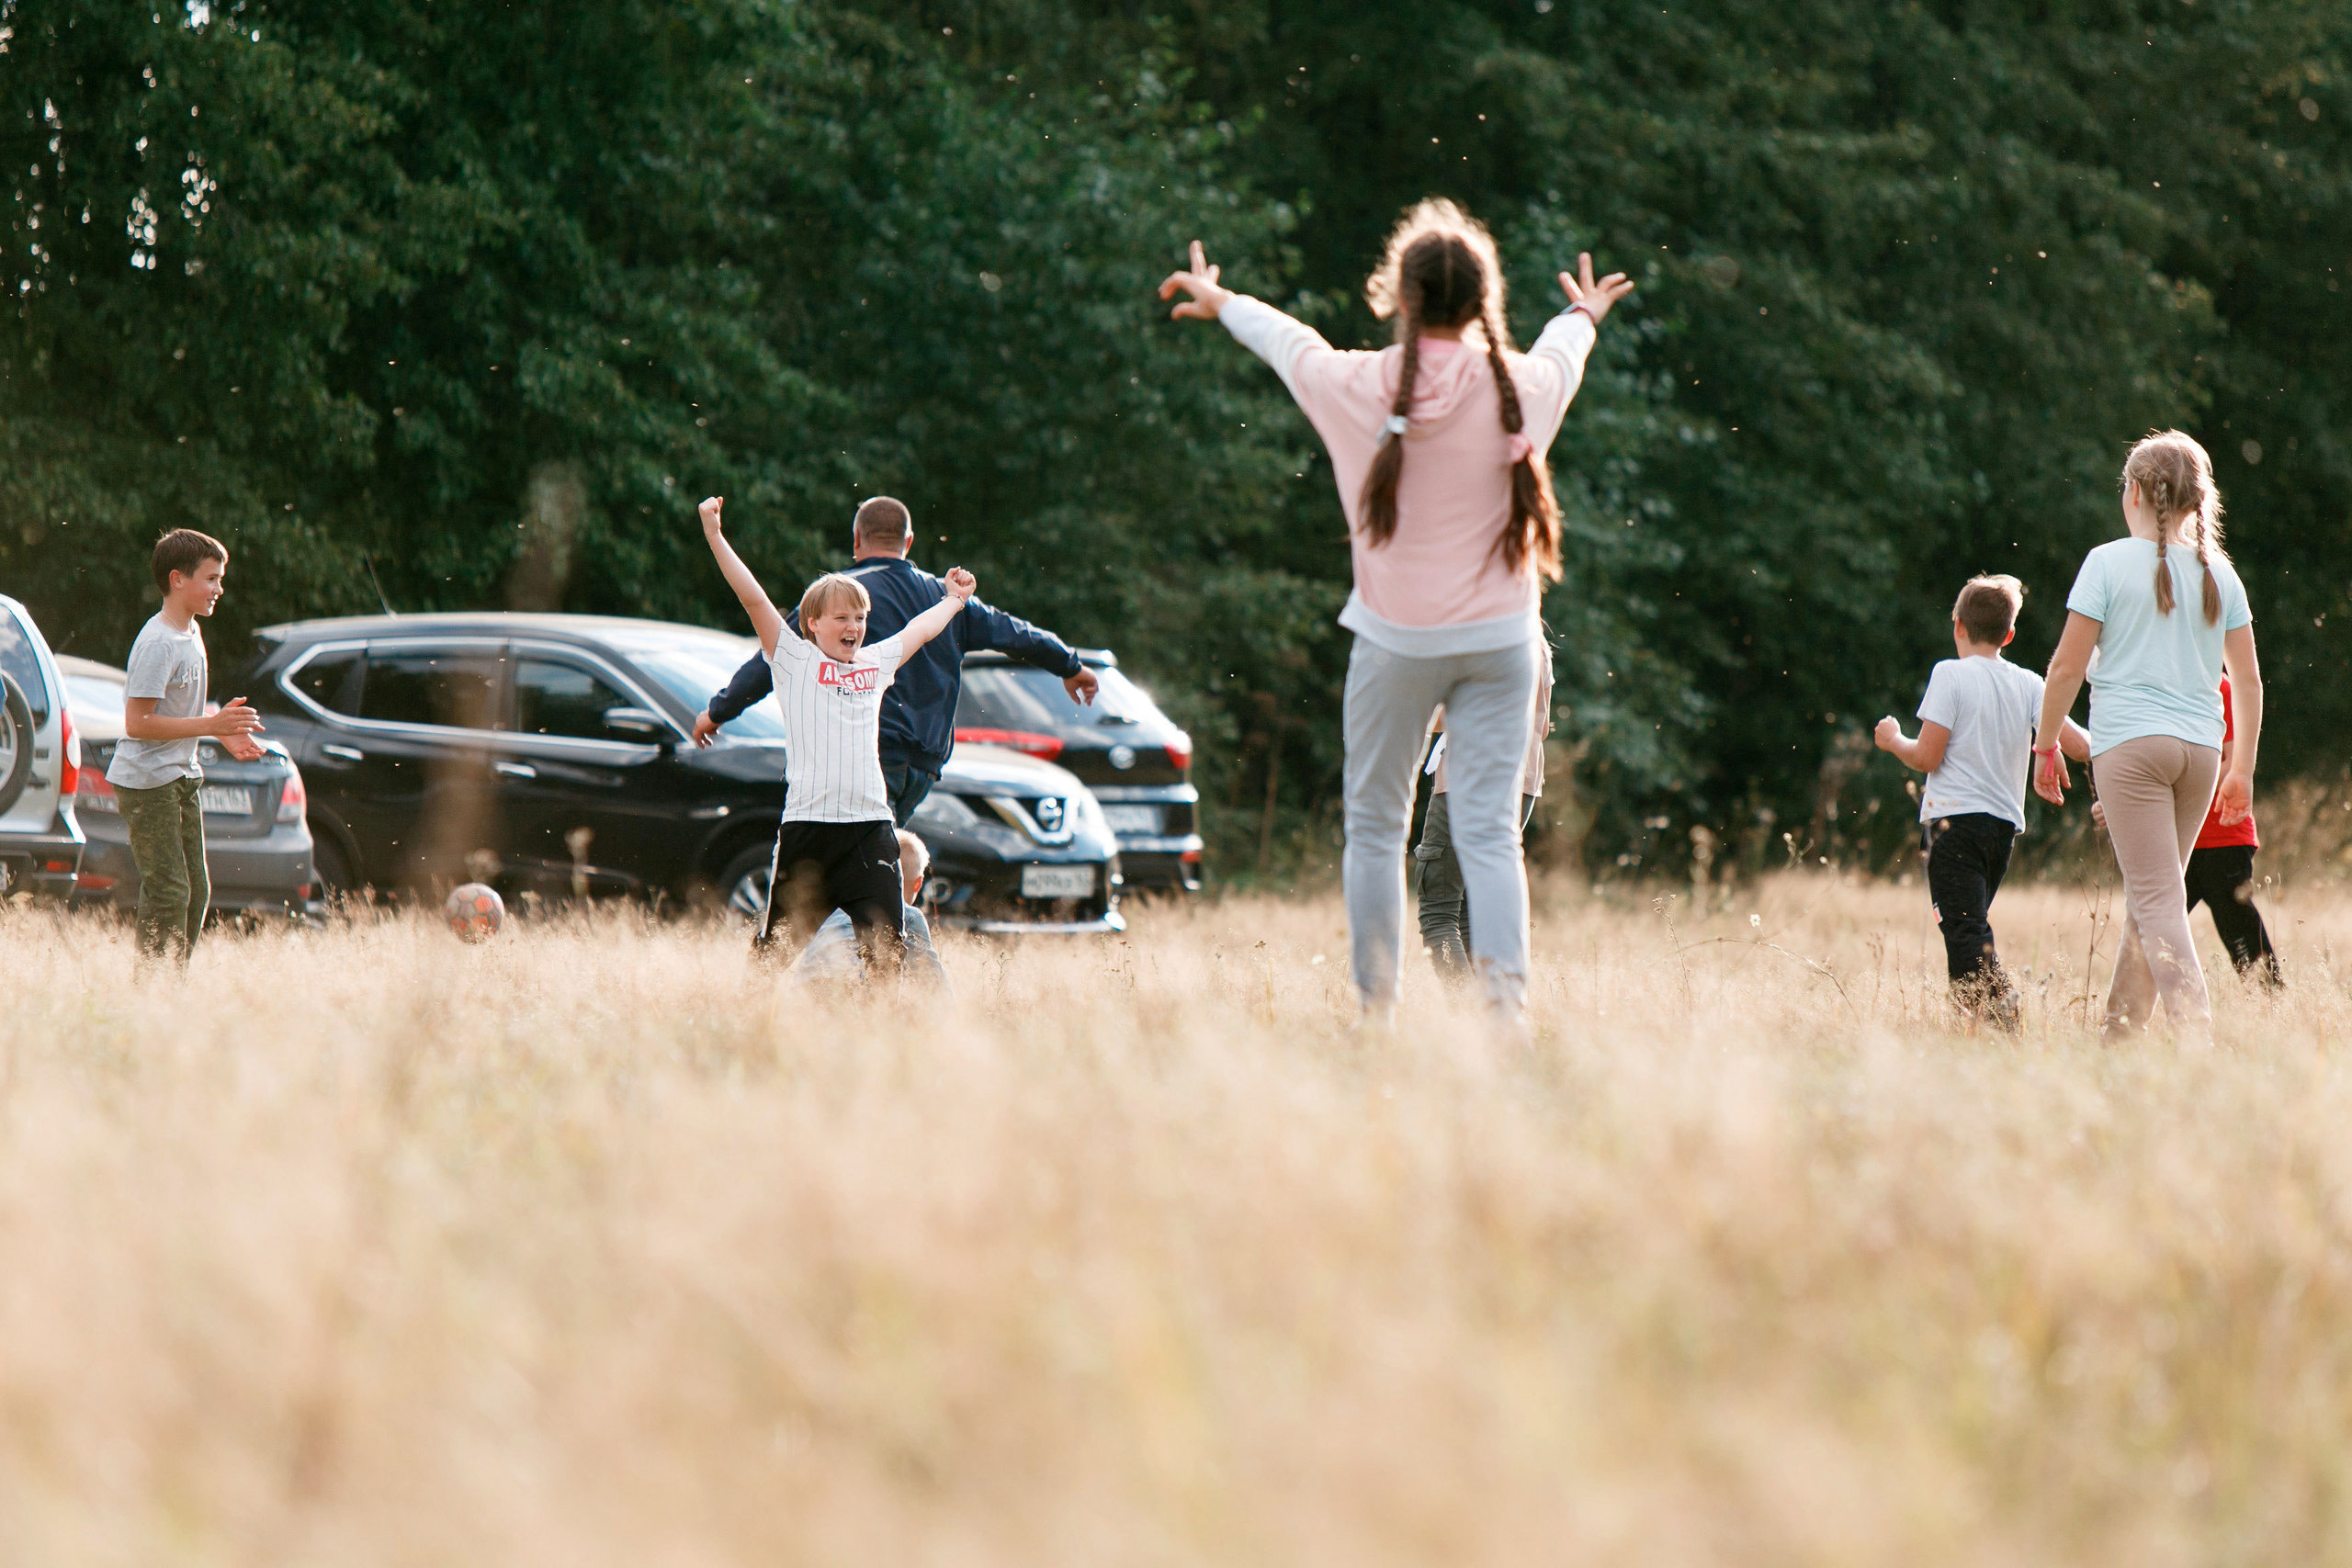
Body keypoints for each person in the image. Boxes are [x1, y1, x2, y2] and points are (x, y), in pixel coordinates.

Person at [1159, 200, 1631, 1023]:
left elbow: (1287, 341)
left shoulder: (1356, 383)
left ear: (1396, 297)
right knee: (1490, 836)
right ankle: (1504, 1019)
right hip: (1502, 644)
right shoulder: (1522, 388)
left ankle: (1377, 1015)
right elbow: (1566, 349)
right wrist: (1584, 310)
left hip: (1394, 644)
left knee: (1376, 830)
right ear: (1485, 299)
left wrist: (1221, 299)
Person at [2031, 430, 2262, 1044]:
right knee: (2153, 898)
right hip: (2200, 757)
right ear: (2196, 500)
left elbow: (2064, 668)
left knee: (2157, 899)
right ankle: (2118, 1045)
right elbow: (2246, 680)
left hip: (2131, 750)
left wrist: (2046, 741)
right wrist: (2242, 769)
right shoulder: (2223, 576)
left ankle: (2197, 1041)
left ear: (2133, 492)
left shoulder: (2106, 562)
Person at [696, 494, 978, 974]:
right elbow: (751, 597)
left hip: (870, 830)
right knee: (776, 954)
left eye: (860, 618)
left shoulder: (875, 662)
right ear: (813, 624)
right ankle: (743, 1030)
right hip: (808, 830)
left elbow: (920, 631)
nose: (854, 627)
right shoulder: (792, 659)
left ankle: (878, 1039)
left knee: (888, 955)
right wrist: (715, 535)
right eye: (842, 618)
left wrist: (954, 600)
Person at [694, 495, 1098, 827]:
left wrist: (718, 710)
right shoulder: (946, 600)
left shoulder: (837, 600)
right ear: (908, 543)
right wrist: (1071, 666)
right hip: (925, 762)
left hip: (867, 758)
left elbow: (773, 660)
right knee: (880, 860)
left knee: (854, 866)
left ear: (856, 540)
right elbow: (1016, 634)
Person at [1873, 575, 2090, 1028]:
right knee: (1967, 925)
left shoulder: (1949, 674)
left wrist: (1894, 740)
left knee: (1964, 928)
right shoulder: (2030, 684)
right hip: (2001, 833)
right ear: (2009, 635)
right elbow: (2080, 745)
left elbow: (1928, 755)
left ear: (1957, 626)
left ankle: (2003, 1014)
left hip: (1953, 825)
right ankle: (1974, 1026)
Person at [107, 529, 266, 971]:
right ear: (177, 579)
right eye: (211, 578)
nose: (219, 588)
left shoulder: (190, 632)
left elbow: (180, 709)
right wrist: (212, 724)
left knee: (196, 889)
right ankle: (152, 989)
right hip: (148, 783)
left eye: (220, 578)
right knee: (169, 890)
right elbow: (137, 723)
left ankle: (169, 984)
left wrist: (220, 731)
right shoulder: (159, 642)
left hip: (180, 775)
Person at [2094, 677, 2280, 987]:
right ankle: (2131, 1018)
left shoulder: (2221, 688)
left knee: (2239, 929)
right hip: (2172, 838)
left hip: (2223, 835)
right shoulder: (2153, 689)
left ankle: (2273, 1003)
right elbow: (2146, 766)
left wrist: (2163, 799)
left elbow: (2231, 763)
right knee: (2151, 927)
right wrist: (2120, 801)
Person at [1414, 641, 1555, 979]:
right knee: (1470, 911)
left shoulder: (1484, 634)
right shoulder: (1536, 644)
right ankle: (1487, 1012)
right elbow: (1543, 723)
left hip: (1466, 779)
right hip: (1522, 784)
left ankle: (1465, 1015)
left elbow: (1442, 712)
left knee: (1438, 910)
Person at [791, 829, 952, 989]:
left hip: (803, 999)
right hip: (845, 995)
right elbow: (937, 988)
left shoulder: (834, 911)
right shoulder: (907, 915)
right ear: (919, 883)